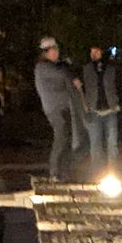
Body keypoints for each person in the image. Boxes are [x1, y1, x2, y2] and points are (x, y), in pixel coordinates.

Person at [33, 36, 87, 181]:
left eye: (56, 50)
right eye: (52, 50)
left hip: (64, 107)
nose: (55, 53)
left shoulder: (56, 66)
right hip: (55, 109)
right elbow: (62, 75)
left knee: (67, 139)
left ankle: (64, 172)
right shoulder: (43, 67)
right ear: (45, 53)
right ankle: (55, 172)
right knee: (61, 138)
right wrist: (68, 69)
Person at [81, 45, 121, 168]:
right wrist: (85, 104)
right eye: (92, 51)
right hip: (94, 110)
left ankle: (113, 169)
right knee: (95, 143)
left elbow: (118, 84)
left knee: (112, 143)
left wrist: (117, 102)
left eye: (96, 51)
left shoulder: (111, 68)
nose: (94, 54)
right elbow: (81, 88)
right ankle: (97, 170)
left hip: (110, 109)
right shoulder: (86, 69)